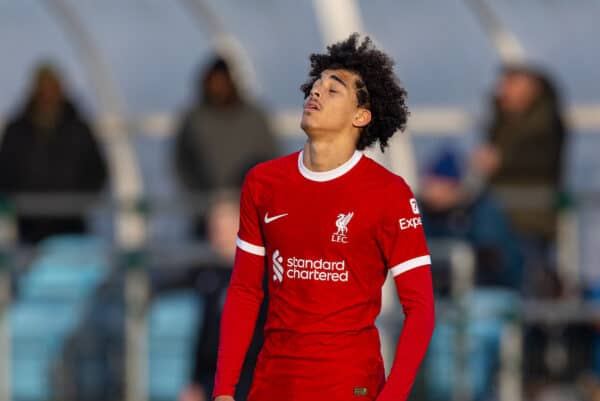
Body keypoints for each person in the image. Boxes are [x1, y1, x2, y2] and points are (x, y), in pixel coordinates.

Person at [213, 34, 435, 401]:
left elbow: (421, 308)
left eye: (333, 90)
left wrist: (392, 396)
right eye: (315, 85)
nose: (315, 93)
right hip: (272, 385)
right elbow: (244, 291)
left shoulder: (389, 194)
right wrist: (224, 390)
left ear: (361, 115)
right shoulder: (263, 182)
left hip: (349, 387)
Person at [471, 64, 566, 296]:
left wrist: (500, 160)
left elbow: (542, 160)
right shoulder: (502, 120)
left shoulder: (545, 122)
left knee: (525, 280)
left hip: (530, 220)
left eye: (511, 84)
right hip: (499, 219)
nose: (503, 90)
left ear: (531, 87)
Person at [0, 62, 108, 243]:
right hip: (29, 226)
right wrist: (19, 203)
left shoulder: (78, 129)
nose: (48, 94)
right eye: (44, 88)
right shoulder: (17, 130)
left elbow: (97, 170)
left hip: (72, 225)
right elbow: (5, 171)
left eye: (52, 87)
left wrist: (79, 203)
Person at [174, 57, 278, 237]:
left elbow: (269, 157)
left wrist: (250, 191)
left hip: (248, 207)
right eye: (213, 81)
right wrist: (201, 193)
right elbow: (182, 161)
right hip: (205, 208)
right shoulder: (194, 120)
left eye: (221, 81)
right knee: (204, 256)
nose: (217, 87)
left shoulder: (253, 118)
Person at [420, 148, 522, 291]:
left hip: (490, 291)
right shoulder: (423, 213)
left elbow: (496, 257)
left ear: (453, 186)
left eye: (436, 183)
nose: (429, 190)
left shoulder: (481, 211)